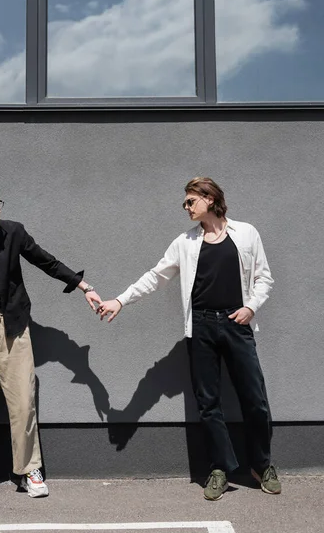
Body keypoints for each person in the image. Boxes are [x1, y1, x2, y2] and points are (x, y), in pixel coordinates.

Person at [97, 177, 281, 501]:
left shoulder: (246, 234)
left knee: (255, 399)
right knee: (209, 403)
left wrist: (251, 307)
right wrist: (121, 300)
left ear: (209, 199)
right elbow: (156, 276)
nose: (186, 207)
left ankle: (262, 465)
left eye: (190, 201)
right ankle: (220, 469)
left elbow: (264, 277)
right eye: (185, 202)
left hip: (237, 324)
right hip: (202, 329)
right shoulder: (185, 242)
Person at [0, 180, 101, 500]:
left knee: (23, 400)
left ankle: (28, 470)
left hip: (12, 322)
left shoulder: (13, 233)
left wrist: (81, 284)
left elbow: (45, 261)